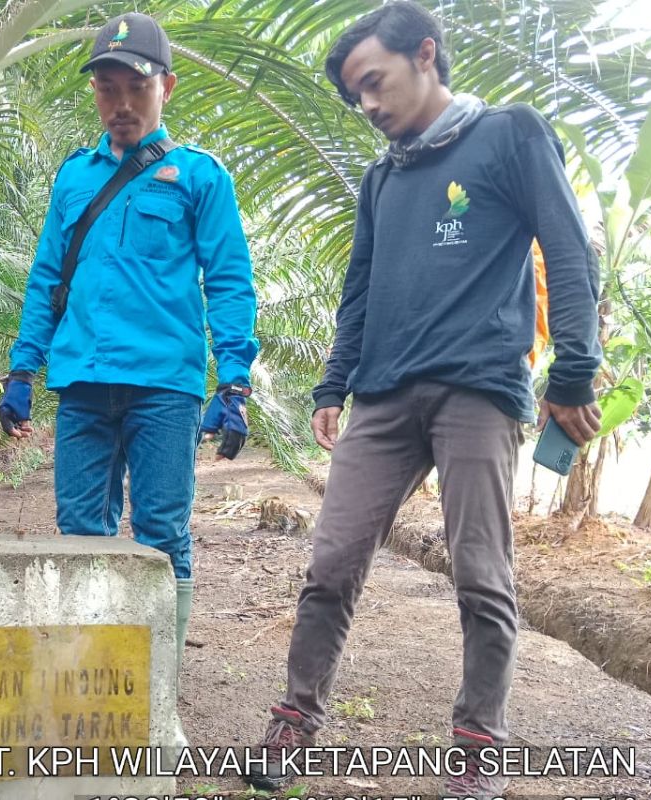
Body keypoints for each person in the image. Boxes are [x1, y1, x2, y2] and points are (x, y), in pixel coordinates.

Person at [244, 4, 601, 798]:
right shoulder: (384, 176)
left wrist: (575, 367)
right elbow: (360, 289)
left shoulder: (510, 134)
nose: (368, 105)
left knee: (481, 575)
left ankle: (479, 746)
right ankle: (294, 720)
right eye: (355, 96)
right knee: (331, 564)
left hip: (478, 390)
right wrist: (334, 383)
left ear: (426, 54)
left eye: (373, 82)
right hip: (381, 397)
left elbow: (568, 245)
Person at [0, 11, 259, 718]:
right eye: (106, 89)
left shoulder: (199, 178)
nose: (119, 103)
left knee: (162, 535)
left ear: (165, 86)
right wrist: (23, 370)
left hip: (163, 387)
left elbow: (230, 279)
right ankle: (93, 693)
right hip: (82, 383)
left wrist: (234, 378)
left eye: (133, 87)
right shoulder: (75, 178)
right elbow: (47, 276)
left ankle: (156, 701)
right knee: (82, 531)